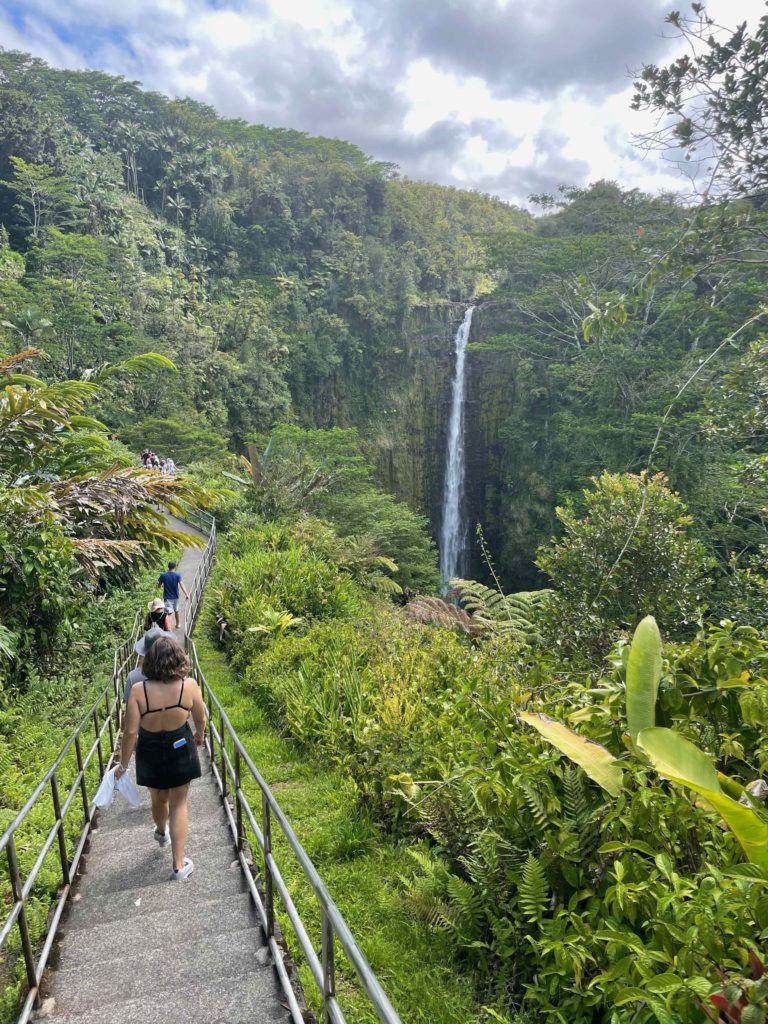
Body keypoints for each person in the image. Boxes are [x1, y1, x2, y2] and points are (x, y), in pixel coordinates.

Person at [116, 637, 206, 880]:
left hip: (150, 748)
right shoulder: (189, 686)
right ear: (178, 657)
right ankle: (178, 865)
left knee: (158, 796)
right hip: (180, 747)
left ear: (150, 661)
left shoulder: (138, 691)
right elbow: (200, 718)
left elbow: (131, 732)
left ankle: (160, 831)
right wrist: (199, 736)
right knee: (179, 803)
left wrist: (123, 765)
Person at [124, 601, 175, 702]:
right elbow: (168, 628)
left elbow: (146, 627)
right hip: (162, 638)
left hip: (149, 638)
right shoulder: (178, 673)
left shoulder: (133, 677)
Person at [158, 561, 189, 629]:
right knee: (176, 611)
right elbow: (181, 584)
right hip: (176, 596)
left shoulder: (163, 575)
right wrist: (186, 594)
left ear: (168, 567)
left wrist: (159, 585)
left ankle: (169, 628)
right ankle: (178, 624)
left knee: (169, 613)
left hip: (167, 597)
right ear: (175, 567)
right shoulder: (177, 575)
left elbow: (159, 585)